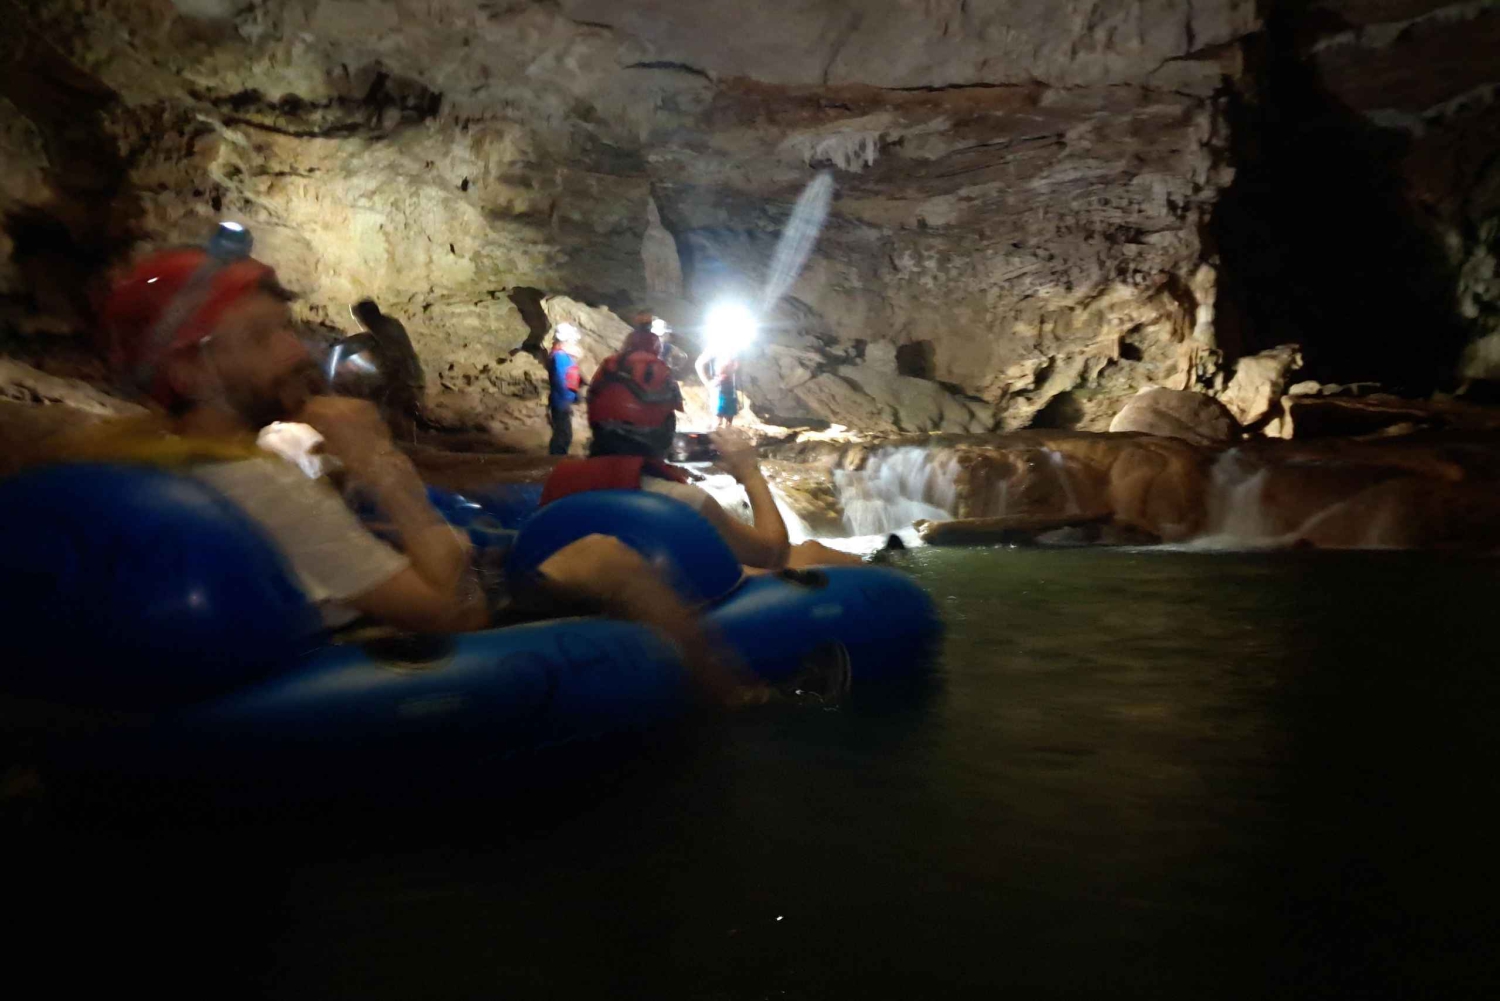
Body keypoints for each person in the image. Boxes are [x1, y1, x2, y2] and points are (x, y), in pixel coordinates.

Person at [79, 237, 754, 706]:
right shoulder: (256, 483)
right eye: (262, 337)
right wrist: (383, 466)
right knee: (603, 556)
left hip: (292, 625)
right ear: (188, 371)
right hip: (364, 653)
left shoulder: (154, 461)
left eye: (285, 328)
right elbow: (448, 613)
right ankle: (732, 706)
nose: (295, 349)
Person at [541, 343, 860, 570]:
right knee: (812, 552)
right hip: (680, 606)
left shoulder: (563, 481)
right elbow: (772, 554)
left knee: (807, 550)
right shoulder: (679, 499)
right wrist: (749, 472)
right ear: (667, 426)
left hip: (618, 595)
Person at [350, 299, 425, 442]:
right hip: (414, 376)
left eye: (358, 318)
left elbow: (387, 359)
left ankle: (405, 448)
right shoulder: (392, 323)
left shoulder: (377, 334)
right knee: (409, 417)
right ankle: (411, 444)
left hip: (399, 381)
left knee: (395, 417)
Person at [547, 323, 586, 456]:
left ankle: (555, 462)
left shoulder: (562, 356)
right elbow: (560, 379)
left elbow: (570, 379)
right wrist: (567, 399)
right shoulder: (559, 356)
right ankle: (555, 463)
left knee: (563, 434)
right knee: (563, 435)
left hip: (562, 401)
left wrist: (575, 397)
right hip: (560, 402)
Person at [695, 346, 740, 429]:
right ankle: (715, 436)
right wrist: (707, 383)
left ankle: (726, 438)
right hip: (719, 388)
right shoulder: (715, 347)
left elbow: (735, 366)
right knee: (718, 419)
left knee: (729, 421)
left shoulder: (733, 349)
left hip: (730, 387)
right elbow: (699, 364)